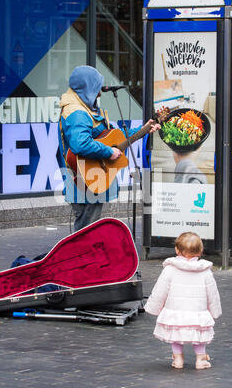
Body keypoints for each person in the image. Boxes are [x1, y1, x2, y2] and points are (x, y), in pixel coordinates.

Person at [58, 65, 160, 231]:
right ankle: (82, 257)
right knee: (86, 230)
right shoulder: (77, 113)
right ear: (87, 87)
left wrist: (144, 129)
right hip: (85, 178)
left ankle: (85, 255)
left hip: (89, 178)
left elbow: (113, 137)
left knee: (87, 228)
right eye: (96, 88)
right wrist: (108, 151)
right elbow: (80, 144)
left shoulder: (84, 108)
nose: (99, 93)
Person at [144, 232, 222, 370]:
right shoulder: (205, 271)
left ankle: (178, 357)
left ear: (177, 250)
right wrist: (215, 311)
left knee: (176, 332)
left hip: (175, 310)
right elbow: (213, 293)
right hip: (198, 311)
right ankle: (200, 359)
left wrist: (153, 307)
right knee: (199, 333)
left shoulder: (170, 269)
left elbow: (160, 290)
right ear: (200, 251)